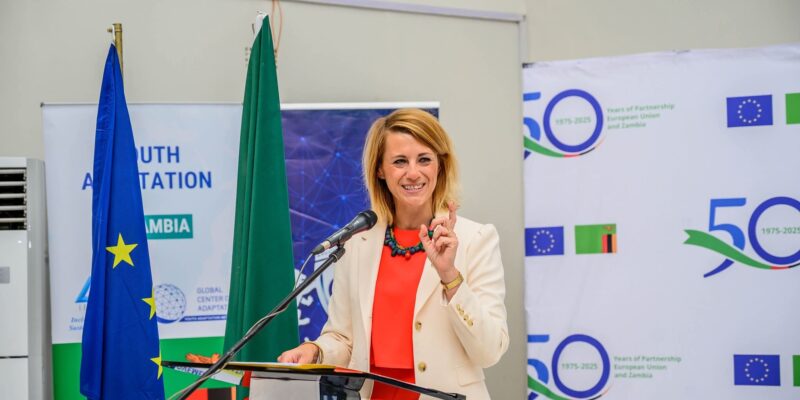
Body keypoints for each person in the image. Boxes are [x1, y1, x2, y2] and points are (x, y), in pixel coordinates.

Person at [278, 108, 508, 399]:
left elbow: (490, 350)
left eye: (424, 159)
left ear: (440, 165)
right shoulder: (357, 244)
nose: (413, 173)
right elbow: (343, 339)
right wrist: (315, 350)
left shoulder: (475, 239)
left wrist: (450, 276)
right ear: (380, 170)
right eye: (400, 161)